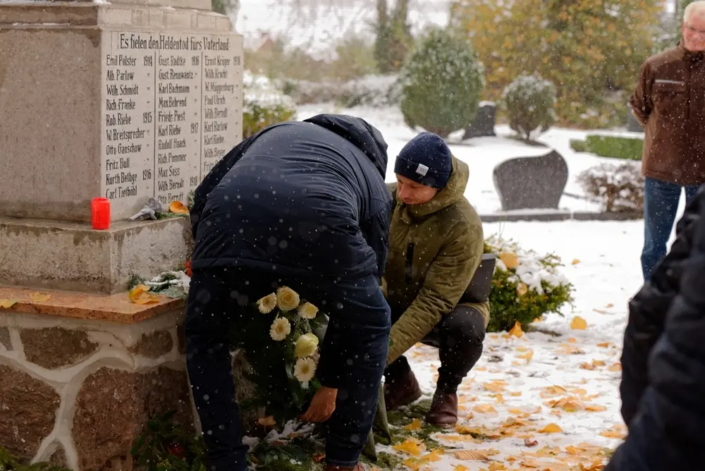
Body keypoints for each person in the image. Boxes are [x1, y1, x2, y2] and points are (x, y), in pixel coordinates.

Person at [186, 114, 394, 471]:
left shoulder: (275, 131)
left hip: (230, 219)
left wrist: (213, 259)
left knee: (206, 336)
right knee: (371, 323)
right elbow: (364, 292)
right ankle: (343, 461)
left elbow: (204, 195)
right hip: (320, 227)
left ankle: (225, 460)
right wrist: (333, 379)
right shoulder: (371, 175)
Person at [381, 132, 488, 427]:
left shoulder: (463, 225)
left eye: (414, 186)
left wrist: (378, 355)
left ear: (439, 186)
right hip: (395, 297)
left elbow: (434, 301)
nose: (402, 193)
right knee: (361, 303)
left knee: (465, 328)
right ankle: (400, 381)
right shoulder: (386, 200)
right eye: (400, 181)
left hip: (449, 307)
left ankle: (446, 392)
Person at [607, 183, 705, 470]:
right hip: (679, 412)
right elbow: (651, 309)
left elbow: (649, 314)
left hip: (680, 416)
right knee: (653, 247)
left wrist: (642, 417)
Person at [630, 0, 705, 281]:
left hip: (703, 175)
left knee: (698, 245)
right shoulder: (657, 66)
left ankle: (691, 306)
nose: (696, 37)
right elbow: (641, 107)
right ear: (683, 27)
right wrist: (664, 137)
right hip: (661, 171)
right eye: (692, 29)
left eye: (704, 32)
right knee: (653, 246)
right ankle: (653, 303)